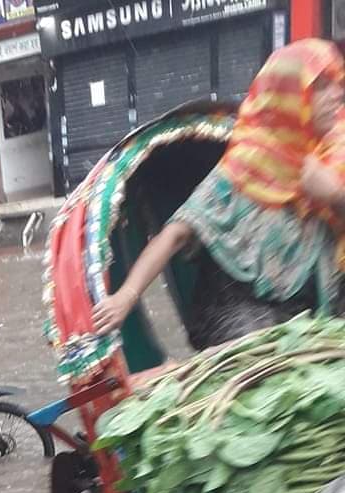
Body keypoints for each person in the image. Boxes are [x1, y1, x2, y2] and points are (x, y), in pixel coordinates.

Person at [92, 41, 345, 349]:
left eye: (339, 84)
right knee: (263, 351)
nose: (338, 95)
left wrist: (334, 195)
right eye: (322, 87)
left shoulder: (336, 160)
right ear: (290, 96)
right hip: (240, 313)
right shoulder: (247, 166)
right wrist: (124, 298)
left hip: (313, 313)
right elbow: (176, 234)